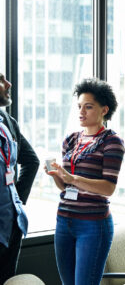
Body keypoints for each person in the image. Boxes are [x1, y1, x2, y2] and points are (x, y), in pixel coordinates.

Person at [45, 79, 125, 285]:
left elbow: (108, 188)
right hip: (64, 220)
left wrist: (72, 178)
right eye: (79, 106)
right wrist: (58, 177)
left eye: (88, 107)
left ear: (104, 110)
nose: (81, 111)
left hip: (93, 224)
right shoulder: (70, 140)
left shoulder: (112, 142)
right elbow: (66, 187)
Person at [0, 73, 39, 283]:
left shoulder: (7, 120)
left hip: (11, 225)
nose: (9, 84)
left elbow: (32, 161)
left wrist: (18, 202)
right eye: (1, 80)